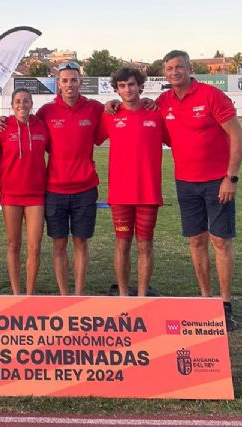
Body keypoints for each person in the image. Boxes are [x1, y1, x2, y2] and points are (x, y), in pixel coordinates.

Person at [0, 62, 104, 295]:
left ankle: (77, 294)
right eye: (64, 80)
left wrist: (119, 103)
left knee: (80, 243)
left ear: (80, 82)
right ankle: (64, 295)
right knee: (58, 244)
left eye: (73, 80)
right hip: (54, 189)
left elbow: (116, 114)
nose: (69, 84)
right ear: (59, 84)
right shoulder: (47, 112)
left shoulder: (95, 108)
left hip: (85, 188)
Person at [158, 50, 242, 330]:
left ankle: (225, 304)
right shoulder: (163, 101)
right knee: (196, 241)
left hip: (217, 182)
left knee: (220, 241)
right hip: (185, 183)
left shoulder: (210, 95)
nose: (174, 72)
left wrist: (230, 178)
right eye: (169, 68)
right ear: (164, 72)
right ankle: (206, 299)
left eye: (179, 67)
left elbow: (237, 134)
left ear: (189, 68)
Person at [96, 67, 168, 297]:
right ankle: (124, 295)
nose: (128, 89)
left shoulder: (156, 113)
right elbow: (94, 138)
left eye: (132, 84)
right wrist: (107, 105)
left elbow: (178, 137)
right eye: (123, 85)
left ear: (140, 86)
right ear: (117, 89)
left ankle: (142, 294)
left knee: (145, 245)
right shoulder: (110, 115)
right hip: (120, 194)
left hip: (148, 192)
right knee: (122, 244)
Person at [0, 88, 49, 295]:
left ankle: (30, 293)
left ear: (31, 103)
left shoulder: (42, 127)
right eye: (17, 101)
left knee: (34, 246)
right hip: (11, 195)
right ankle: (16, 293)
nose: (22, 105)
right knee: (13, 245)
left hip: (36, 196)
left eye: (25, 101)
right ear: (12, 104)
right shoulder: (3, 128)